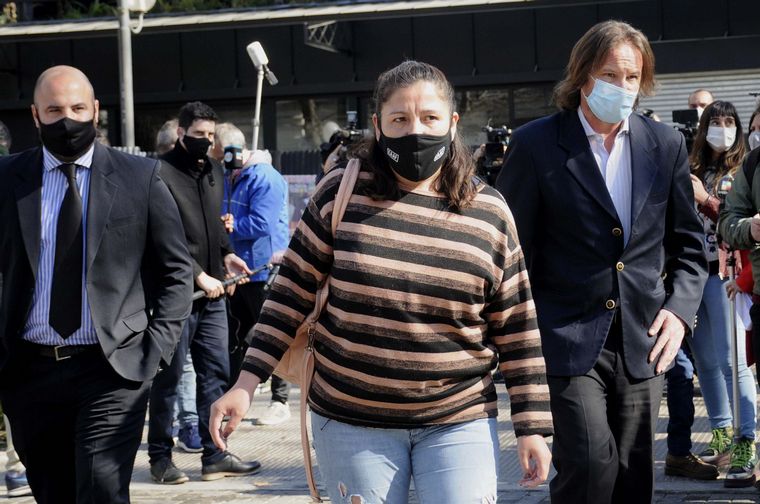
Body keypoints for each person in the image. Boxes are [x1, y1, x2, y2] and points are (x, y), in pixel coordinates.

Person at [210, 60, 553, 503]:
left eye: (429, 118)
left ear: (452, 123)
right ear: (378, 125)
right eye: (399, 119)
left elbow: (517, 325)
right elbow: (289, 294)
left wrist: (532, 426)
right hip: (351, 419)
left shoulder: (489, 212)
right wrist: (245, 383)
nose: (415, 131)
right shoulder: (340, 193)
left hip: (459, 417)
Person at [496, 21, 707, 503]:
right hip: (566, 337)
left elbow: (689, 246)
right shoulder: (536, 145)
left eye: (632, 77)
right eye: (610, 75)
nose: (622, 86)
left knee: (634, 477)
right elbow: (510, 250)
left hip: (643, 339)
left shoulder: (665, 144)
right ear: (582, 76)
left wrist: (679, 312)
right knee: (590, 467)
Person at [0, 65, 193, 503]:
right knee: (54, 493)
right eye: (54, 110)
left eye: (77, 108)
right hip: (29, 371)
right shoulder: (8, 179)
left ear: (96, 110)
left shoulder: (140, 177)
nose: (67, 119)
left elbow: (176, 271)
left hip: (112, 368)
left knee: (102, 490)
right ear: (35, 115)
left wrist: (155, 349)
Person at [147, 101, 260, 484]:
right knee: (168, 379)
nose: (207, 141)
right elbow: (163, 238)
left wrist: (228, 255)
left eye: (211, 135)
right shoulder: (159, 173)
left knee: (216, 372)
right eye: (199, 134)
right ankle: (160, 458)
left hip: (215, 294)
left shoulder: (213, 169)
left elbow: (212, 224)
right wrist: (197, 276)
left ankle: (215, 454)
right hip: (175, 295)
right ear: (181, 132)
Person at [688, 100, 757, 485]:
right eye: (715, 121)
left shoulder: (743, 169)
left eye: (730, 121)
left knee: (734, 360)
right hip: (691, 272)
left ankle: (746, 439)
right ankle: (721, 431)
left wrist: (706, 200)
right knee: (706, 360)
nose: (723, 128)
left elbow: (736, 221)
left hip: (726, 273)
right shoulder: (692, 168)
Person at [213, 123, 292, 426]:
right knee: (240, 336)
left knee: (270, 334)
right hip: (237, 270)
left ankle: (280, 400)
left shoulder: (264, 177)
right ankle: (237, 394)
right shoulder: (228, 175)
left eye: (218, 153)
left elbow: (262, 223)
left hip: (263, 269)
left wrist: (230, 226)